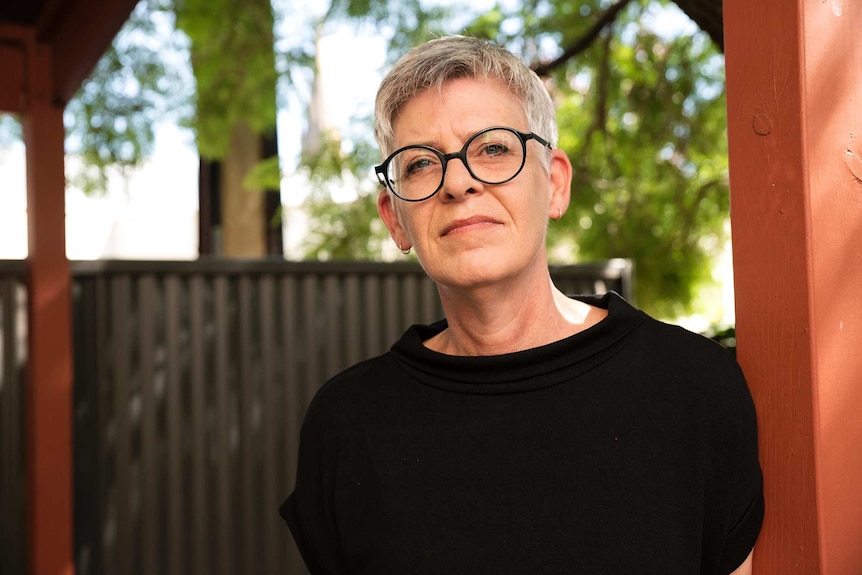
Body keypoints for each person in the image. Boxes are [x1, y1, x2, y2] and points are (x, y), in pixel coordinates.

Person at [280, 35, 763, 575]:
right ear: (395, 218)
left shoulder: (692, 386)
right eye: (419, 163)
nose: (458, 182)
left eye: (493, 148)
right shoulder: (347, 423)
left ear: (555, 184)